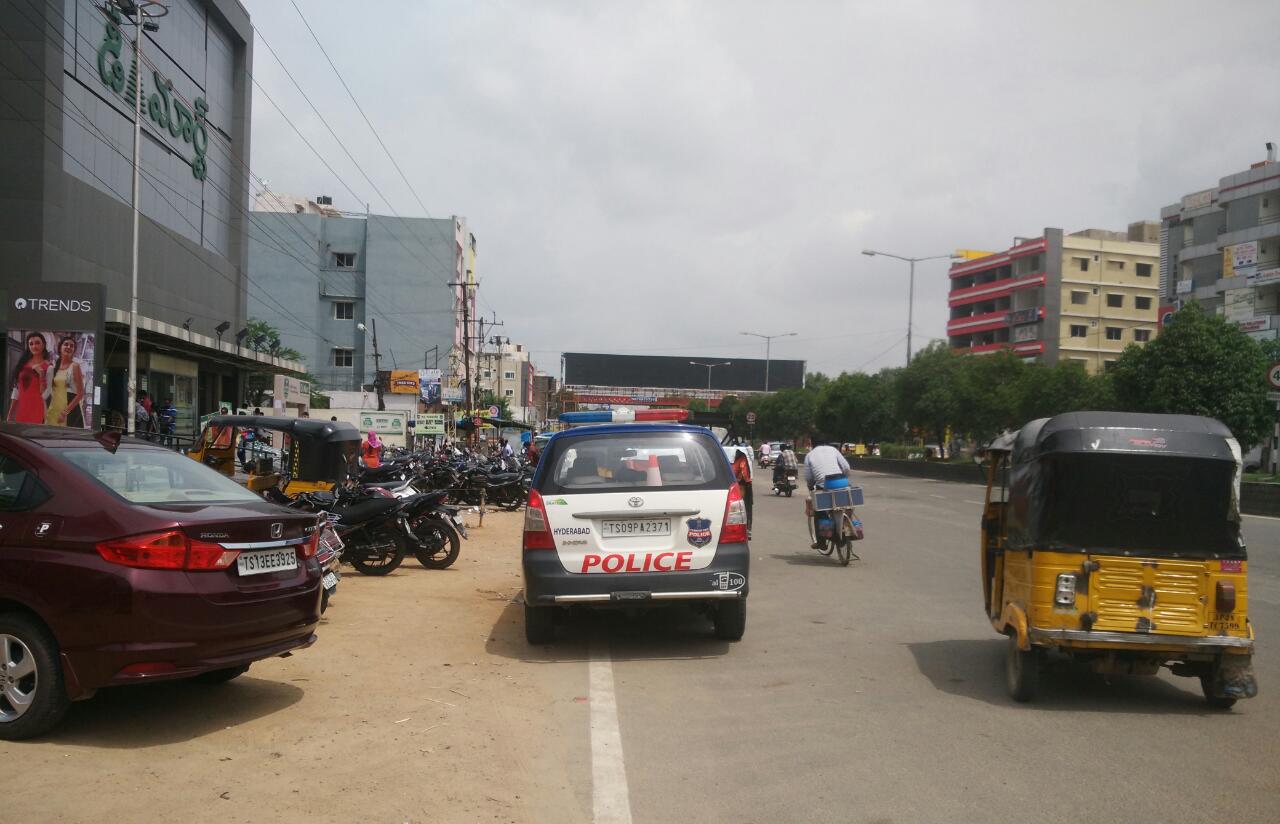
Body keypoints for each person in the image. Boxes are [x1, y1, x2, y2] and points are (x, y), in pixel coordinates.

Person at [803, 436, 851, 549]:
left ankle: (821, 542)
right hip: (842, 483)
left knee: (819, 512)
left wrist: (810, 486)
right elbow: (846, 467)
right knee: (848, 505)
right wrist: (845, 478)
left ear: (812, 444)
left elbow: (809, 477)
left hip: (824, 486)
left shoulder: (809, 455)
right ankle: (848, 524)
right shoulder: (833, 450)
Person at [7, 331, 50, 424]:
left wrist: (41, 375)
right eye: (31, 344)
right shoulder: (23, 364)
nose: (34, 346)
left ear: (43, 345)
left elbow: (46, 393)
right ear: (28, 347)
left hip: (38, 409)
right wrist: (10, 413)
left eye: (37, 343)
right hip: (21, 408)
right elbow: (17, 389)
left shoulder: (49, 366)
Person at [45, 336, 87, 428]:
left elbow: (80, 393)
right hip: (53, 409)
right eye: (66, 344)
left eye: (71, 346)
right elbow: (48, 390)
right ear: (60, 348)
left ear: (74, 350)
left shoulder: (75, 366)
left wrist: (65, 412)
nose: (68, 347)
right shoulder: (53, 368)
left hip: (68, 411)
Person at [732, 448, 753, 537]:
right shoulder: (743, 456)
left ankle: (746, 529)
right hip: (740, 483)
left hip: (740, 484)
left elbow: (744, 472)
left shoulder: (742, 457)